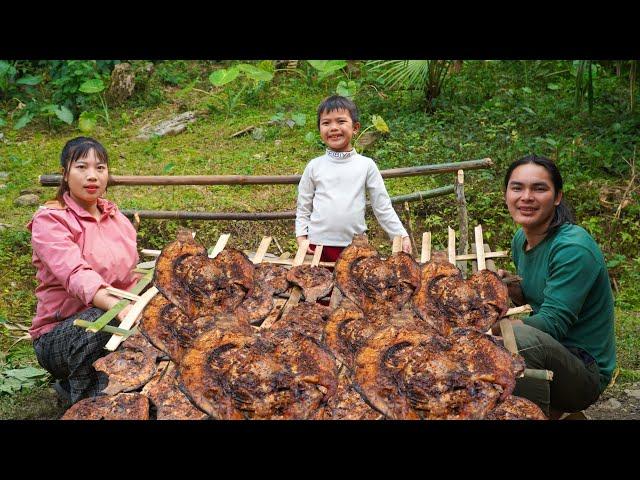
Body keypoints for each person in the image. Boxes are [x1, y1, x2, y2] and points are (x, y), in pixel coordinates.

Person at [496, 155, 616, 418]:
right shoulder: (522, 239)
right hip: (555, 352)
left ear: (558, 196)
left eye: (539, 188)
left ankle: (536, 412)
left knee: (514, 340)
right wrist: (508, 289)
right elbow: (538, 296)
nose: (526, 196)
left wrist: (486, 329)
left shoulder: (572, 247)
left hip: (584, 368)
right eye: (517, 187)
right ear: (506, 193)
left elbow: (552, 322)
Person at [27, 137, 140, 405]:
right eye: (81, 167)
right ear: (65, 174)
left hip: (119, 317)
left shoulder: (117, 218)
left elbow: (132, 277)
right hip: (61, 334)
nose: (92, 176)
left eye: (100, 168)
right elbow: (76, 275)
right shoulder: (51, 219)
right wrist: (120, 309)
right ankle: (83, 398)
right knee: (103, 321)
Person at [295, 95, 411, 263]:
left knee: (352, 286)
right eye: (326, 123)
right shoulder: (314, 166)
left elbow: (382, 206)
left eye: (341, 121)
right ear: (319, 129)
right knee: (319, 286)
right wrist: (301, 237)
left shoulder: (366, 165)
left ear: (355, 127)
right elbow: (303, 206)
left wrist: (401, 235)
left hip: (355, 246)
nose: (333, 128)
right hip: (317, 246)